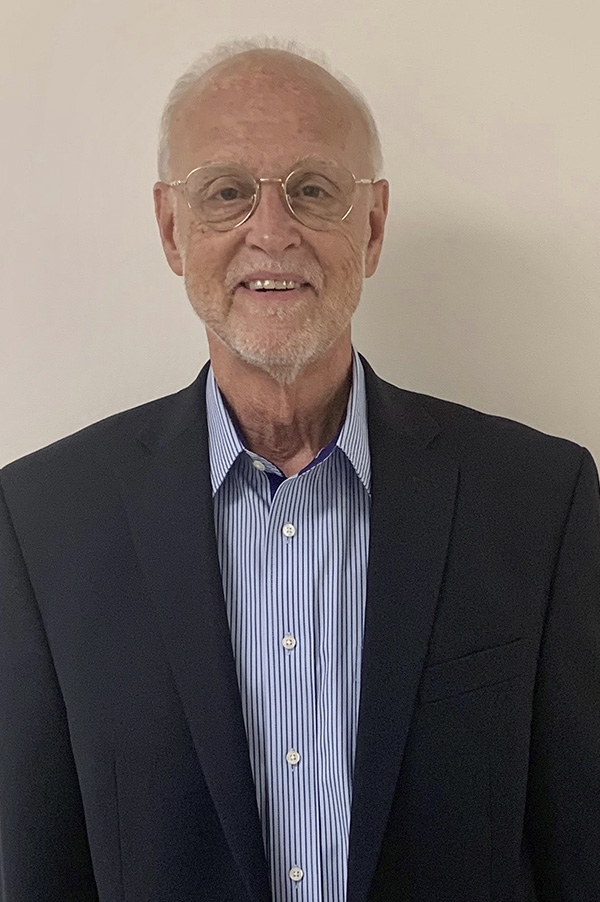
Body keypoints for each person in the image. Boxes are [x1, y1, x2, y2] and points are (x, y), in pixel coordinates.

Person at [0, 39, 599, 902]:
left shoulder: (540, 502)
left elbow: (579, 850)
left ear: (374, 226)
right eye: (226, 192)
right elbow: (38, 865)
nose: (272, 231)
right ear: (172, 230)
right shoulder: (44, 523)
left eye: (315, 189)